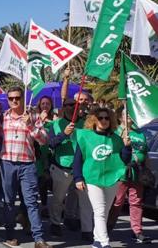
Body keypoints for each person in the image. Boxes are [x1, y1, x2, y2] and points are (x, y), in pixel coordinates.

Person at [0, 86, 52, 248]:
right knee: (8, 202)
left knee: (31, 202)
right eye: (11, 98)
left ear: (23, 98)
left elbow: (44, 140)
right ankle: (10, 236)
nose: (14, 101)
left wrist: (31, 125)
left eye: (17, 98)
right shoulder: (3, 117)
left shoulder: (33, 115)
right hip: (7, 163)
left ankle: (39, 239)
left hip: (27, 165)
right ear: (8, 100)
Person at [73, 107, 132, 248]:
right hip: (92, 178)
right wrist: (78, 178)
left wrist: (127, 147)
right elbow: (78, 160)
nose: (104, 120)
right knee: (99, 210)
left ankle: (97, 241)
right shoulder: (84, 136)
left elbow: (124, 159)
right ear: (94, 119)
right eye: (100, 118)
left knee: (104, 211)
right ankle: (105, 243)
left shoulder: (117, 139)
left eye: (106, 118)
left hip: (112, 178)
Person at [107, 108, 151, 244]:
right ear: (120, 117)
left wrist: (147, 170)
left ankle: (137, 232)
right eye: (126, 114)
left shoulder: (140, 134)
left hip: (137, 174)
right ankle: (107, 229)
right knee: (116, 202)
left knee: (136, 203)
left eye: (131, 114)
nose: (129, 117)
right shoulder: (115, 133)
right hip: (121, 174)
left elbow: (146, 153)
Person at [48, 98, 84, 237]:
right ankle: (55, 223)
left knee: (74, 197)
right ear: (63, 108)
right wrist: (64, 134)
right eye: (67, 105)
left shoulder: (84, 123)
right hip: (61, 167)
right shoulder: (56, 124)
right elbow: (50, 143)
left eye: (73, 105)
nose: (70, 108)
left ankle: (70, 218)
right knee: (58, 198)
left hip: (79, 168)